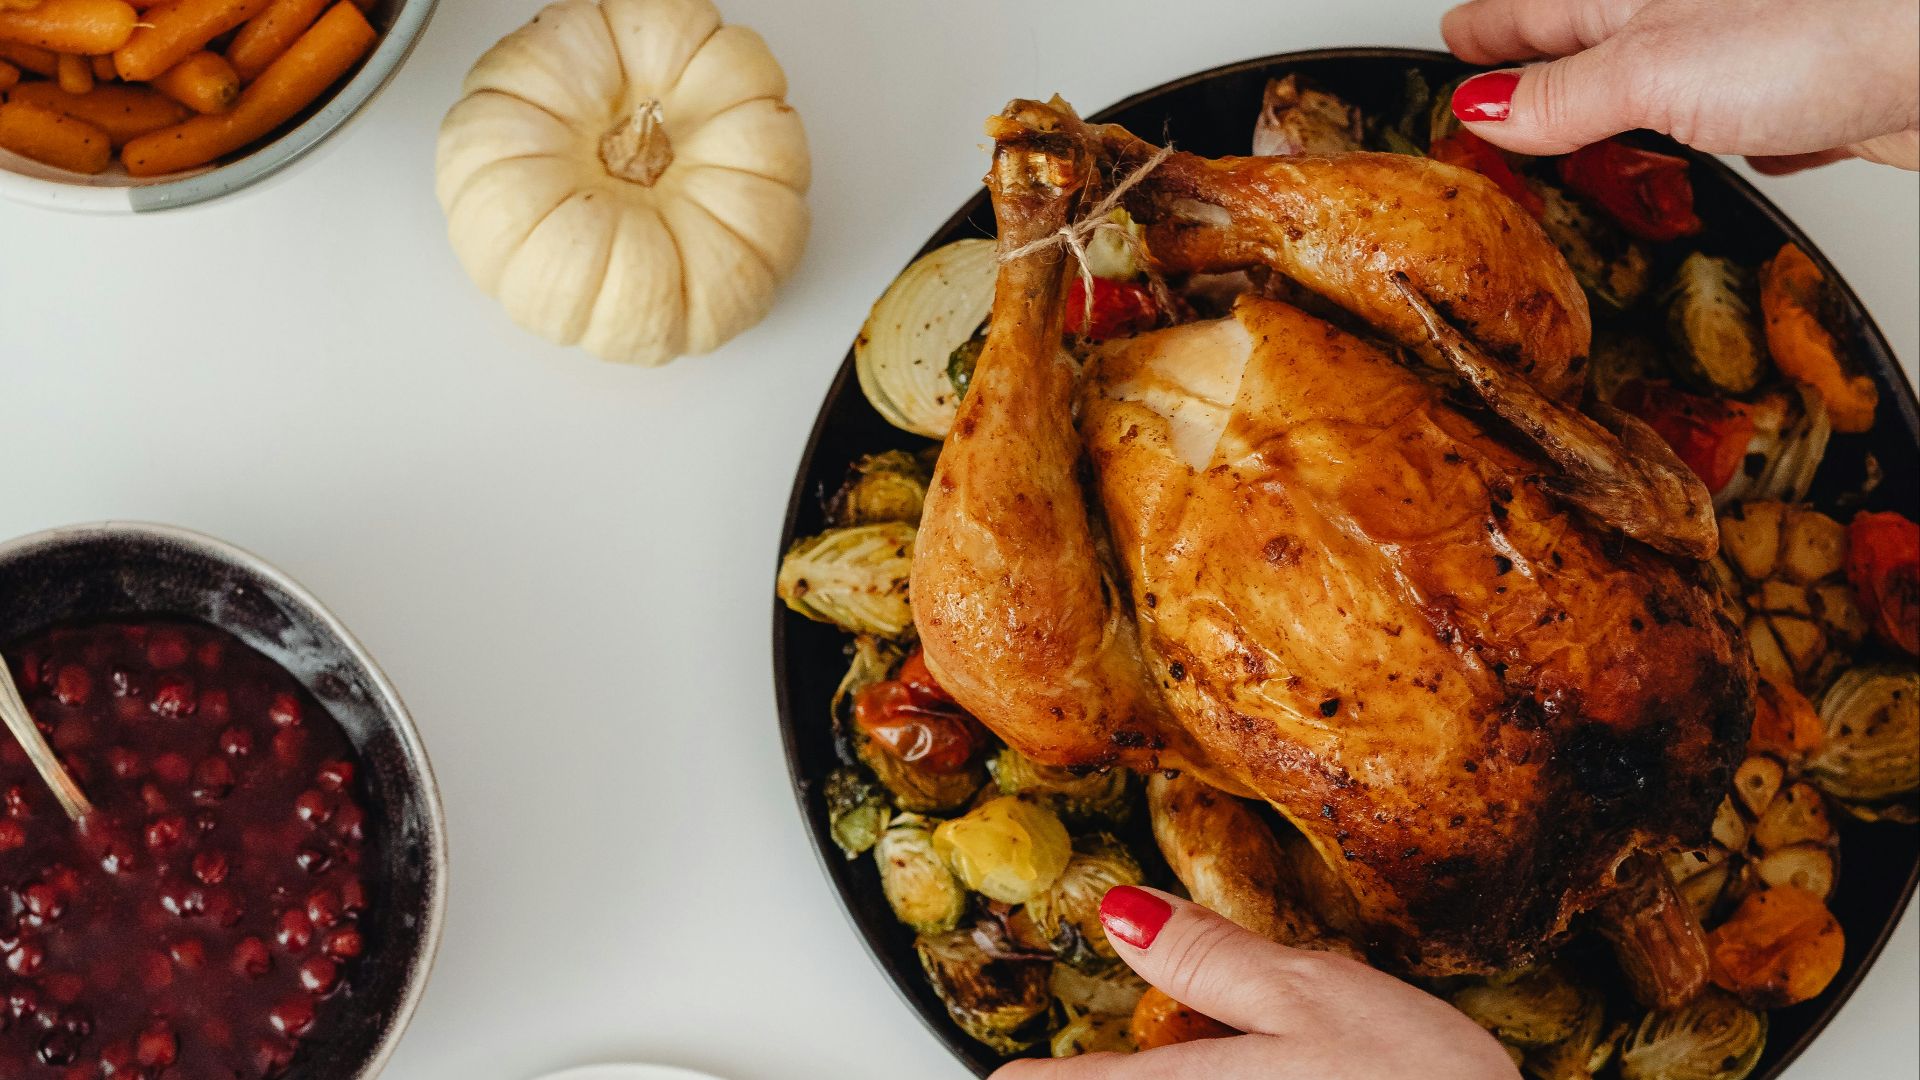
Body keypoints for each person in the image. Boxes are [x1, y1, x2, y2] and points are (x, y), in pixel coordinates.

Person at [992, 2, 1917, 1077]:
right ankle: (1166, 189)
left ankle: (1029, 260)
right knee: (1537, 322)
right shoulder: (1700, 705)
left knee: (1053, 701)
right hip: (1350, 341)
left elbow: (1212, 827)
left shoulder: (1459, 917)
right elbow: (1670, 510)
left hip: (1124, 537)